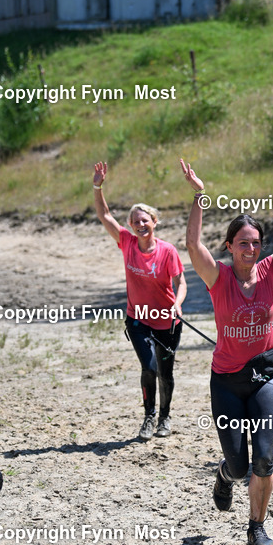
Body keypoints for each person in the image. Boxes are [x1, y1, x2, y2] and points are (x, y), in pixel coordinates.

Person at [180, 157, 273, 545]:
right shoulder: (217, 277)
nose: (250, 249)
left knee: (264, 460)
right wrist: (200, 195)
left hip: (265, 380)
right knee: (239, 466)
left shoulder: (272, 271)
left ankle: (256, 527)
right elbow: (192, 245)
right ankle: (224, 475)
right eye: (243, 243)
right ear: (229, 246)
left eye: (255, 243)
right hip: (226, 383)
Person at [92, 160, 186, 440]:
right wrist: (97, 187)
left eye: (145, 220)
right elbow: (104, 215)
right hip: (138, 320)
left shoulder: (168, 251)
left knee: (165, 373)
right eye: (135, 222)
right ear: (131, 226)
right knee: (149, 367)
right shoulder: (127, 242)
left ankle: (165, 418)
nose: (140, 225)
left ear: (154, 222)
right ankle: (149, 417)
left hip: (167, 322)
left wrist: (177, 304)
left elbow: (181, 283)